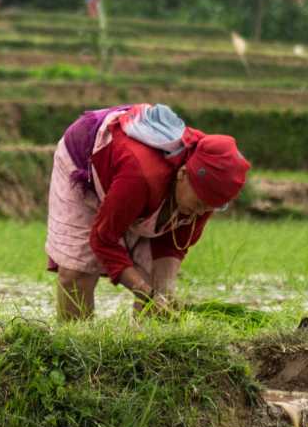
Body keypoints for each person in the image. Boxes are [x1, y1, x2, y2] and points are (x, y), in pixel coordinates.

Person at [43, 103, 251, 320]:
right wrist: (146, 292)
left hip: (138, 185)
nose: (201, 213)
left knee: (159, 287)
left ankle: (145, 340)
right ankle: (75, 337)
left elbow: (173, 243)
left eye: (211, 207)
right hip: (86, 157)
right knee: (78, 271)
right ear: (183, 174)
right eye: (200, 204)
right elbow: (103, 239)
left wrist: (163, 291)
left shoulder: (210, 188)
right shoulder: (142, 176)